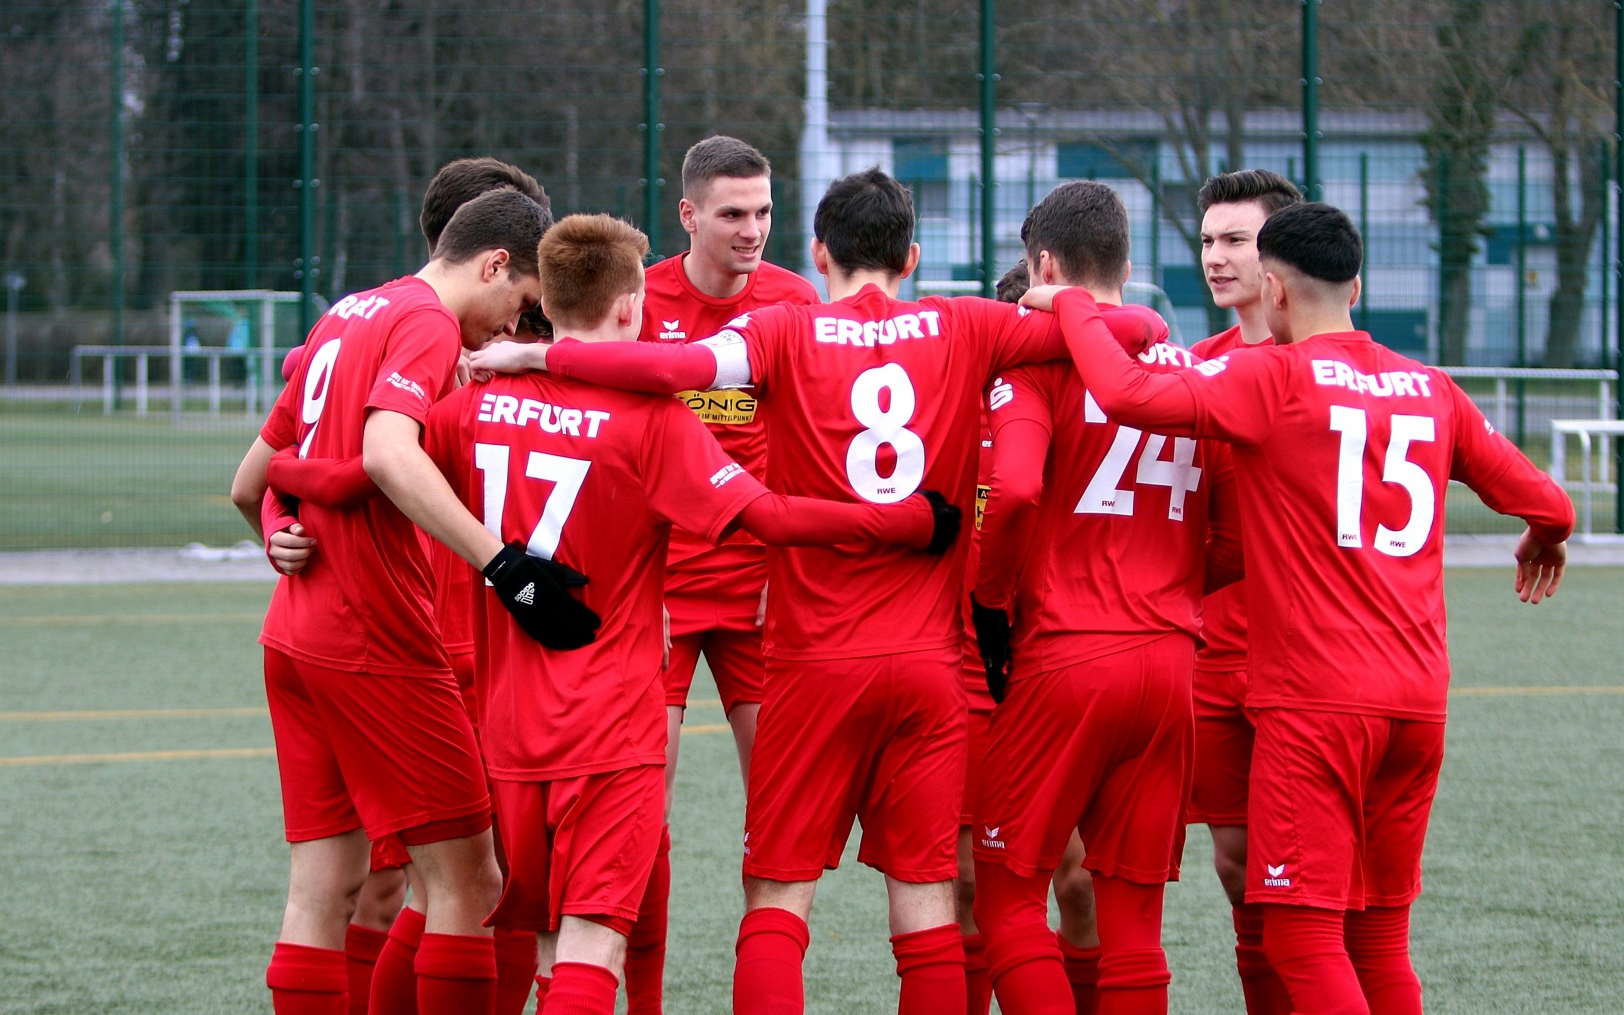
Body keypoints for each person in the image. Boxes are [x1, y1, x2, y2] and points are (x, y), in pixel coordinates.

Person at [472, 167, 1072, 1015]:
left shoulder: (784, 329)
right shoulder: (968, 323)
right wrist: (1060, 303)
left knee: (777, 900)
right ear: (914, 255)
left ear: (816, 249)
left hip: (812, 657)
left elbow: (678, 365)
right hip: (930, 666)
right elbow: (1133, 327)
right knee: (929, 905)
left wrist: (539, 352)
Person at [1022, 201, 1573, 1015]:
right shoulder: (1433, 388)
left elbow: (1125, 389)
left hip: (1316, 704)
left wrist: (1068, 300)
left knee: (1299, 940)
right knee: (1380, 938)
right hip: (1418, 705)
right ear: (1357, 284)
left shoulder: (1273, 377)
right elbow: (1549, 501)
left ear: (1272, 290)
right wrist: (1545, 536)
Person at [237, 189, 579, 1015]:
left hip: (293, 636)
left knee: (322, 891)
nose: (513, 327)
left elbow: (250, 482)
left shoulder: (348, 311)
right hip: (375, 637)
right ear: (496, 263)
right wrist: (506, 565)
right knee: (470, 880)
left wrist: (280, 531)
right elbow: (389, 454)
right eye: (523, 304)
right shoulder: (425, 322)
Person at [969, 182, 1238, 1015]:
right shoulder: (1192, 371)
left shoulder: (1041, 367)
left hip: (1066, 653)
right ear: (1126, 264)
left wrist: (990, 601)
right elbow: (1233, 531)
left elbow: (1011, 493)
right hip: (1169, 664)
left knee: (1009, 897)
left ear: (1043, 268)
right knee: (1134, 927)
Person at [630, 134, 822, 1015]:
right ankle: (642, 996)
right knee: (637, 812)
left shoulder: (792, 299)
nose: (753, 231)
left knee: (780, 809)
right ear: (689, 216)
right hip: (659, 591)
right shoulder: (642, 298)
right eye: (734, 214)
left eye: (766, 213)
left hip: (760, 590)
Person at [957, 258, 1101, 1015]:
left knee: (1081, 882)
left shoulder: (1092, 414)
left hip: (1061, 664)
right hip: (972, 673)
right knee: (972, 882)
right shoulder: (960, 412)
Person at [1185, 167, 1303, 1015]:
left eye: (1236, 240)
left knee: (1314, 886)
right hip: (1214, 658)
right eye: (1208, 241)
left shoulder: (1337, 369)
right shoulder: (1198, 369)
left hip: (1314, 669)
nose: (1216, 258)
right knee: (1237, 866)